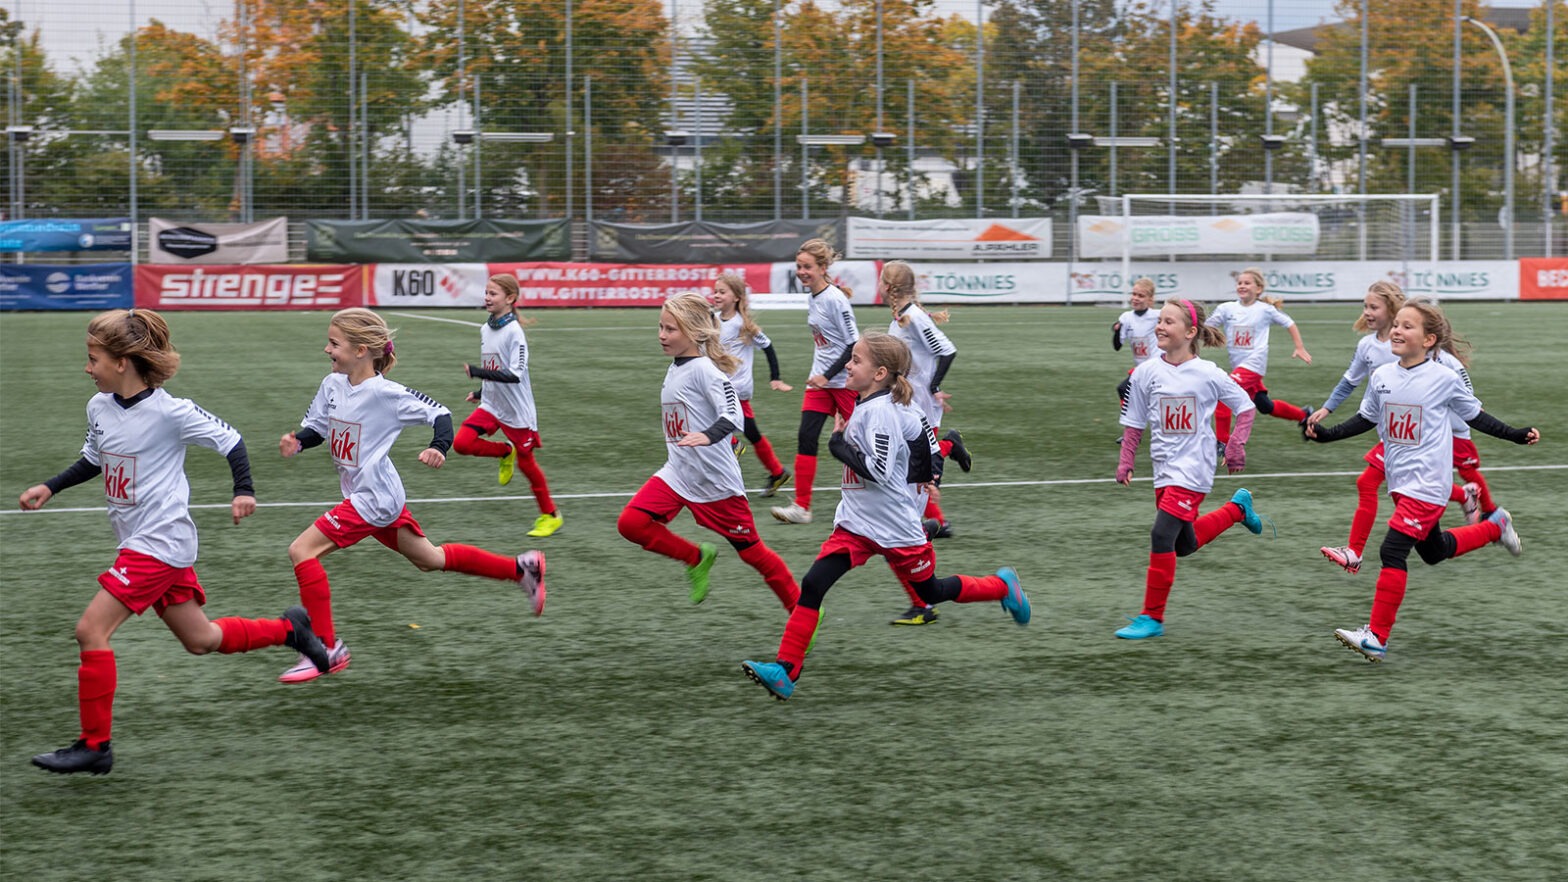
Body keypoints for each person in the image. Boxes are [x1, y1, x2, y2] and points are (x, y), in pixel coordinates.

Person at [22, 308, 330, 775]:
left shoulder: (172, 411)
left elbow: (232, 440)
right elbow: (94, 458)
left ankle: (95, 746)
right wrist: (52, 486)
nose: (87, 368)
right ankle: (292, 630)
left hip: (159, 543)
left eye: (93, 359)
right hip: (140, 542)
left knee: (91, 631)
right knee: (201, 639)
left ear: (123, 361)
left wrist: (243, 490)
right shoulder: (99, 406)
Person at [740, 333, 1030, 701]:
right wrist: (930, 472)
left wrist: (838, 445)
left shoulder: (879, 412)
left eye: (855, 360)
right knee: (813, 584)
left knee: (931, 591)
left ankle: (1003, 586)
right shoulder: (882, 404)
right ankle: (785, 671)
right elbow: (922, 436)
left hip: (896, 528)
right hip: (858, 525)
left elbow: (877, 470)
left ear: (879, 373)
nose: (847, 364)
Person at [278, 307, 545, 684]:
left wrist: (439, 446)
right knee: (430, 559)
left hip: (373, 497)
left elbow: (441, 413)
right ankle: (521, 569)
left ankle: (326, 647)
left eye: (334, 343)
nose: (326, 349)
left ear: (361, 350)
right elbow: (319, 429)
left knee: (301, 551)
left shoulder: (385, 393)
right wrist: (298, 443)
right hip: (370, 493)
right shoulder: (331, 385)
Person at [1304, 300, 1538, 662]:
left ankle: (1376, 638)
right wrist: (1328, 434)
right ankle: (1496, 526)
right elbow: (1366, 418)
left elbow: (1476, 416)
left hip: (1428, 485)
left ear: (1429, 340)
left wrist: (1516, 435)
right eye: (1396, 324)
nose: (1397, 330)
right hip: (1402, 484)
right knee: (1434, 551)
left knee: (1391, 551)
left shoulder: (1443, 378)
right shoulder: (1382, 375)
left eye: (1407, 326)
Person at [615, 293, 800, 611]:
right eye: (660, 327)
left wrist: (708, 436)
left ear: (694, 333)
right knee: (631, 523)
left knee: (753, 554)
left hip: (716, 484)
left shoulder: (706, 370)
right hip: (678, 473)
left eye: (670, 329)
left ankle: (802, 611)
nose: (662, 335)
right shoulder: (676, 367)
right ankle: (696, 557)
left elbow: (733, 415)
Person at [1307, 282, 1490, 575]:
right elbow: (1350, 383)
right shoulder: (1368, 346)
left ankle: (1354, 551)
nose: (1366, 313)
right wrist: (1327, 411)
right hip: (1395, 439)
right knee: (1433, 551)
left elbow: (1468, 401)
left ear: (1391, 310)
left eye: (1373, 307)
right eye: (1364, 306)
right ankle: (1471, 504)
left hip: (1421, 439)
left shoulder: (1434, 358)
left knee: (1368, 488)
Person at [1114, 298, 1270, 640]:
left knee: (1160, 535)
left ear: (1190, 332)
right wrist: (1126, 459)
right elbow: (1134, 421)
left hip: (1194, 469)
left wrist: (1235, 446)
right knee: (1182, 545)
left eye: (1169, 322)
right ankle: (1237, 510)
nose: (1160, 326)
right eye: (1160, 320)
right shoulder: (1146, 372)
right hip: (1164, 468)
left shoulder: (1208, 373)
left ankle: (1151, 618)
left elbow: (1245, 408)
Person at [881, 259, 973, 626]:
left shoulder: (913, 317)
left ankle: (924, 594)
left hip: (918, 408)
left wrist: (932, 388)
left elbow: (947, 350)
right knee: (915, 485)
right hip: (907, 406)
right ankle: (926, 539)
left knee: (916, 488)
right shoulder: (905, 314)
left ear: (890, 286)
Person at [453, 273, 562, 538]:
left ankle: (550, 515)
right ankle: (504, 452)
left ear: (510, 299)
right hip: (492, 404)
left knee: (528, 465)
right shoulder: (485, 328)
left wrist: (478, 372)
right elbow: (496, 368)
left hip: (516, 412)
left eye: (493, 294)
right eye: (487, 292)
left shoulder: (515, 333)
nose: (487, 298)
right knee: (462, 443)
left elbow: (514, 374)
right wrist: (481, 392)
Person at [771, 238, 860, 525]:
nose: (802, 271)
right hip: (819, 384)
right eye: (799, 266)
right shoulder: (813, 297)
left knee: (864, 441)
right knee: (806, 437)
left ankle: (894, 492)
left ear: (822, 268)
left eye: (807, 267)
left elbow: (853, 345)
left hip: (842, 382)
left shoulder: (835, 299)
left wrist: (827, 376)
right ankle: (802, 507)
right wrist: (820, 377)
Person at [1205, 267, 1312, 448]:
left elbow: (1289, 323)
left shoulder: (1265, 310)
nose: (1242, 286)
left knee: (1223, 395)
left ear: (1259, 289)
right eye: (1239, 283)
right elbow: (1207, 327)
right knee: (1265, 405)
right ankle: (1303, 415)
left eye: (1247, 283)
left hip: (1254, 365)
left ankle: (1223, 442)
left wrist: (1299, 347)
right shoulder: (1226, 309)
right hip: (1240, 367)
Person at [710, 271, 793, 497]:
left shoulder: (742, 325)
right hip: (722, 387)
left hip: (735, 388)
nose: (716, 295)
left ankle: (732, 447)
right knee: (751, 431)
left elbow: (768, 347)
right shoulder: (714, 319)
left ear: (736, 297)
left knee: (707, 420)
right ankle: (776, 471)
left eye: (722, 292)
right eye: (715, 291)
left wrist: (775, 377)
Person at [1113, 277, 1160, 421]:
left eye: (1141, 295)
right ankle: (1134, 427)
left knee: (1156, 400)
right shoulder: (1126, 318)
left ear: (1150, 299)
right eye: (1134, 294)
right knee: (1125, 390)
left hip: (1157, 367)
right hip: (1141, 368)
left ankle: (1135, 427)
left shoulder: (1158, 315)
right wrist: (1117, 330)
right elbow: (1117, 346)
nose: (1135, 298)